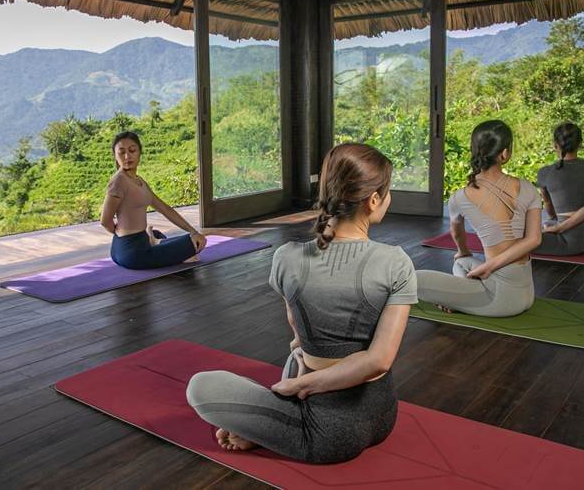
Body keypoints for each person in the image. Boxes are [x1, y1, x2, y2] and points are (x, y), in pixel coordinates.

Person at [186, 143, 418, 464]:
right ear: (374, 199)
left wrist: (301, 385)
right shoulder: (397, 262)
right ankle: (266, 422)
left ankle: (265, 423)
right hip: (381, 413)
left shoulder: (287, 258)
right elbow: (379, 361)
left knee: (200, 386)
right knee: (295, 362)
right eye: (387, 192)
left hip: (327, 430)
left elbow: (297, 337)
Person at [416, 120, 542, 316]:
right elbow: (534, 239)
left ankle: (457, 299)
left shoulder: (459, 198)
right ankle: (460, 297)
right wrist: (471, 259)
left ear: (474, 151)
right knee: (461, 262)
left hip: (498, 300)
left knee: (414, 279)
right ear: (504, 153)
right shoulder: (528, 188)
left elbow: (457, 235)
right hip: (526, 294)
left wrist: (486, 265)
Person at [101, 131, 206, 269]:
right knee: (193, 244)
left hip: (140, 241)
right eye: (121, 152)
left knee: (182, 237)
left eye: (132, 150)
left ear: (139, 152)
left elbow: (164, 208)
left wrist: (193, 231)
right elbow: (105, 221)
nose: (127, 156)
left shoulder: (139, 181)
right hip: (132, 253)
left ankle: (154, 240)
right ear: (115, 156)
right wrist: (122, 236)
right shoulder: (118, 181)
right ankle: (157, 243)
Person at [535, 123, 584, 255]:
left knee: (512, 237)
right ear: (580, 144)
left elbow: (549, 209)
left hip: (566, 242)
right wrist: (555, 225)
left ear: (555, 145)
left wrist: (559, 227)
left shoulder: (545, 172)